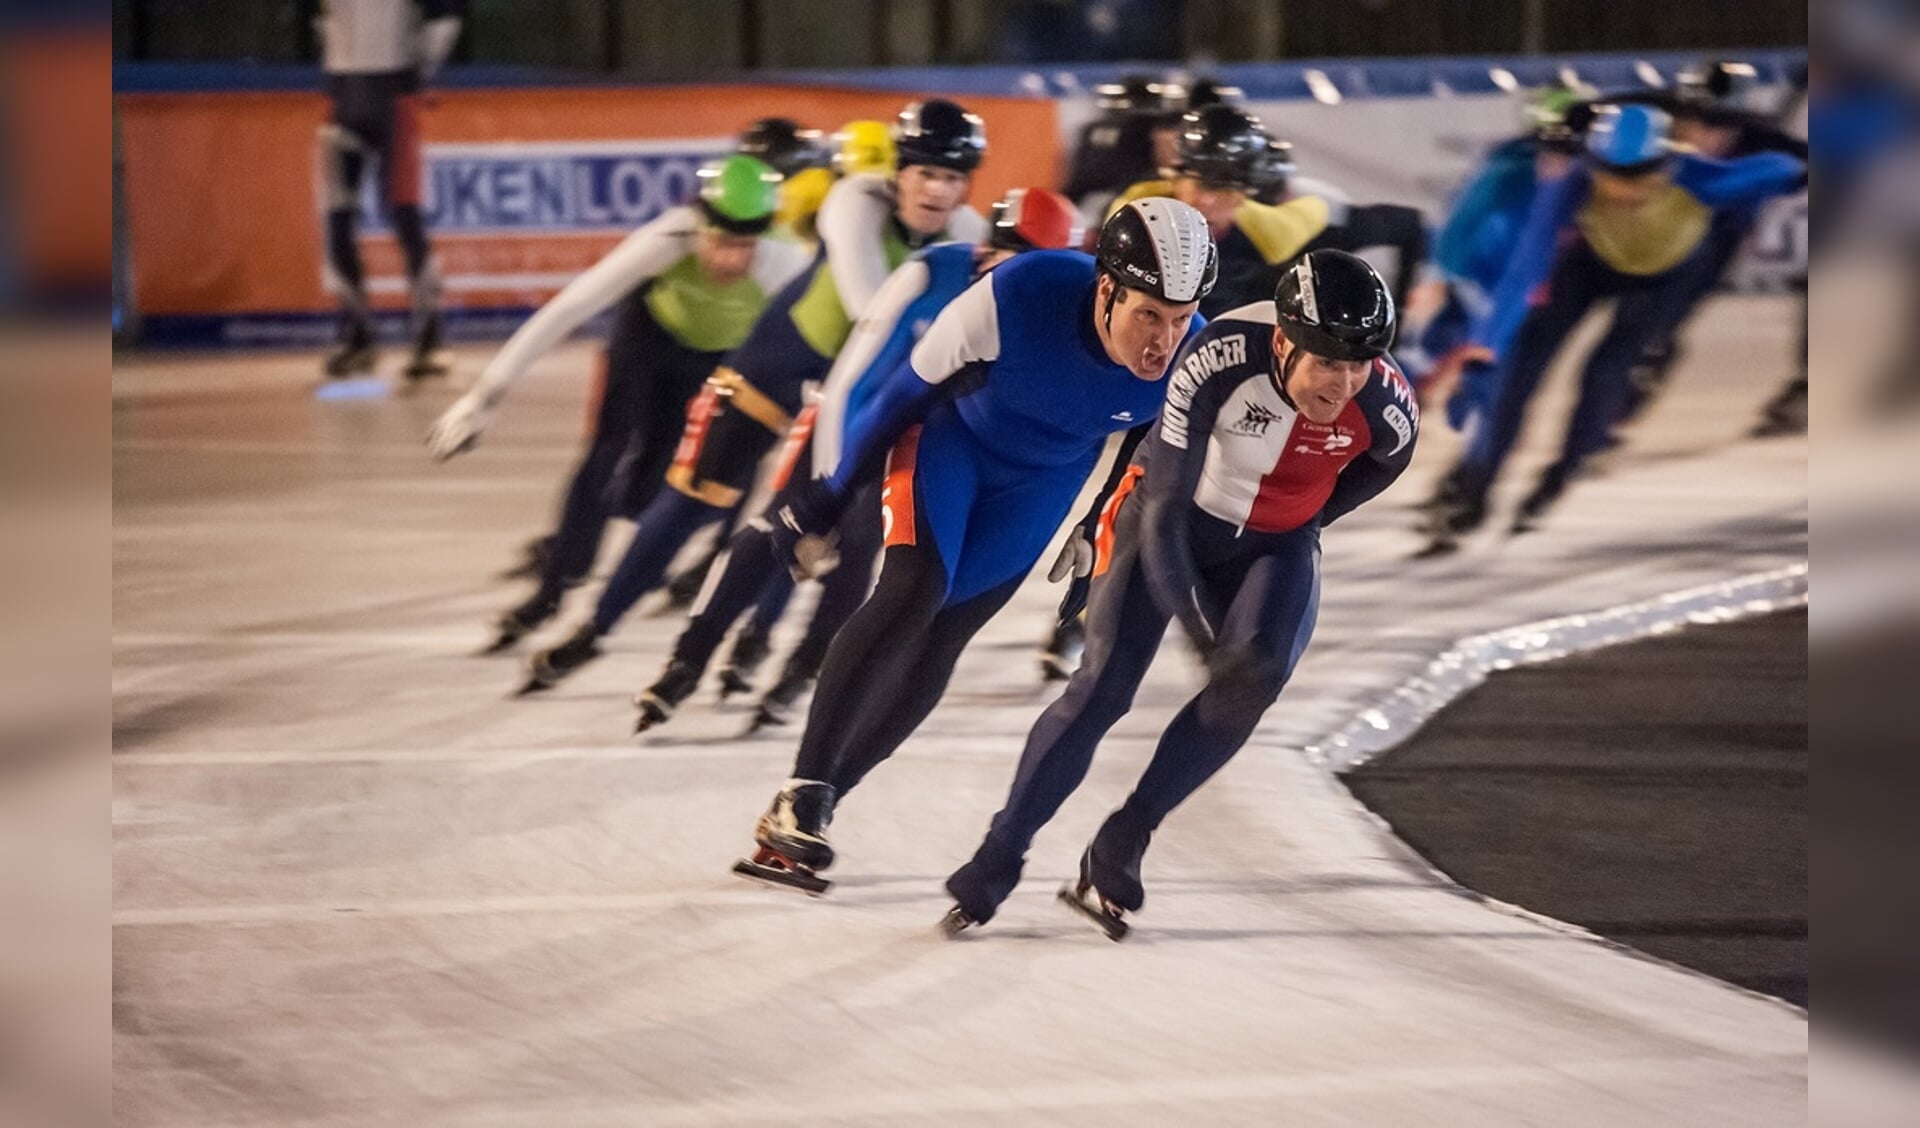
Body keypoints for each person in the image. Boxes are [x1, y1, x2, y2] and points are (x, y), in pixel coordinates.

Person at [735, 198, 1218, 894]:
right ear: (1106, 288)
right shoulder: (1021, 293)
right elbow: (900, 394)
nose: (1163, 341)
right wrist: (830, 495)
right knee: (913, 589)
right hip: (952, 443)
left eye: (1180, 319)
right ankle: (804, 785)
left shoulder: (1189, 355)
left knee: (942, 640)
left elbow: (1144, 450)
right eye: (1148, 314)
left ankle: (815, 805)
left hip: (1045, 481)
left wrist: (1095, 528)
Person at [941, 249, 1414, 938]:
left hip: (1273, 542)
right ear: (1283, 342)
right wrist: (1200, 636)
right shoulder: (1219, 357)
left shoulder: (1389, 407)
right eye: (1325, 364)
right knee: (1103, 688)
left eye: (1357, 366)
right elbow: (1161, 518)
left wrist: (1302, 525)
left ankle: (1124, 837)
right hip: (1172, 519)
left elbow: (1381, 468)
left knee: (1253, 681)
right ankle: (1000, 850)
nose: (1342, 384)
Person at [519, 99, 990, 693]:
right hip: (790, 358)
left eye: (952, 178)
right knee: (693, 495)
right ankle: (596, 629)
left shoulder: (972, 234)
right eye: (924, 172)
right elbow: (870, 310)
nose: (937, 192)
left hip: (860, 382)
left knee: (821, 522)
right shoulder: (855, 200)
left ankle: (761, 643)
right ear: (897, 172)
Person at [631, 187, 1085, 734]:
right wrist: (832, 481)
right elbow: (852, 374)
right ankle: (688, 657)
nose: (1039, 285)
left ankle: (802, 670)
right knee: (774, 532)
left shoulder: (1048, 307)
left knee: (863, 559)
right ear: (990, 249)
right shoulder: (927, 273)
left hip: (925, 444)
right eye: (1030, 264)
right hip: (854, 420)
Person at [424, 156, 809, 649]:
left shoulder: (782, 261)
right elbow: (569, 308)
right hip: (647, 341)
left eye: (745, 246)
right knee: (605, 455)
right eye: (720, 241)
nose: (731, 260)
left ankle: (623, 544)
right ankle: (551, 591)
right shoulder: (671, 237)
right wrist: (483, 397)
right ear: (700, 225)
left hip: (712, 359)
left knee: (649, 493)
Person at [1427, 103, 1806, 545]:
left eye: (1640, 179)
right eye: (1611, 177)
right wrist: (1488, 343)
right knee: (1521, 368)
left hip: (1666, 278)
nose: (1624, 192)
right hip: (1591, 263)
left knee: (1606, 370)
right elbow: (1528, 265)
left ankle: (1561, 474)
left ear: (1666, 165)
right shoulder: (1574, 182)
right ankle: (1476, 485)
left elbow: (1779, 166)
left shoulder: (1700, 177)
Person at [315, 0, 464, 380]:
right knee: (336, 215)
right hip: (344, 96)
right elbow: (319, 20)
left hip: (393, 94)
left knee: (404, 210)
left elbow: (447, 15)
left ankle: (431, 338)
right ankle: (357, 333)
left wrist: (420, 72)